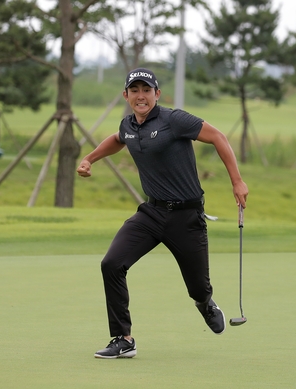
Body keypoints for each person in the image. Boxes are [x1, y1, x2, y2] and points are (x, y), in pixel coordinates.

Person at [76, 68, 248, 359]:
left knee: (198, 287)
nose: (140, 96)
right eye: (135, 90)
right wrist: (90, 158)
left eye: (146, 90)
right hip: (151, 213)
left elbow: (218, 137)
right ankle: (123, 339)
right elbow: (118, 138)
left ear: (157, 94)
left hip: (187, 217)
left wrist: (237, 181)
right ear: (126, 95)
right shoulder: (129, 124)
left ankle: (205, 303)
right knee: (112, 264)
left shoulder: (174, 120)